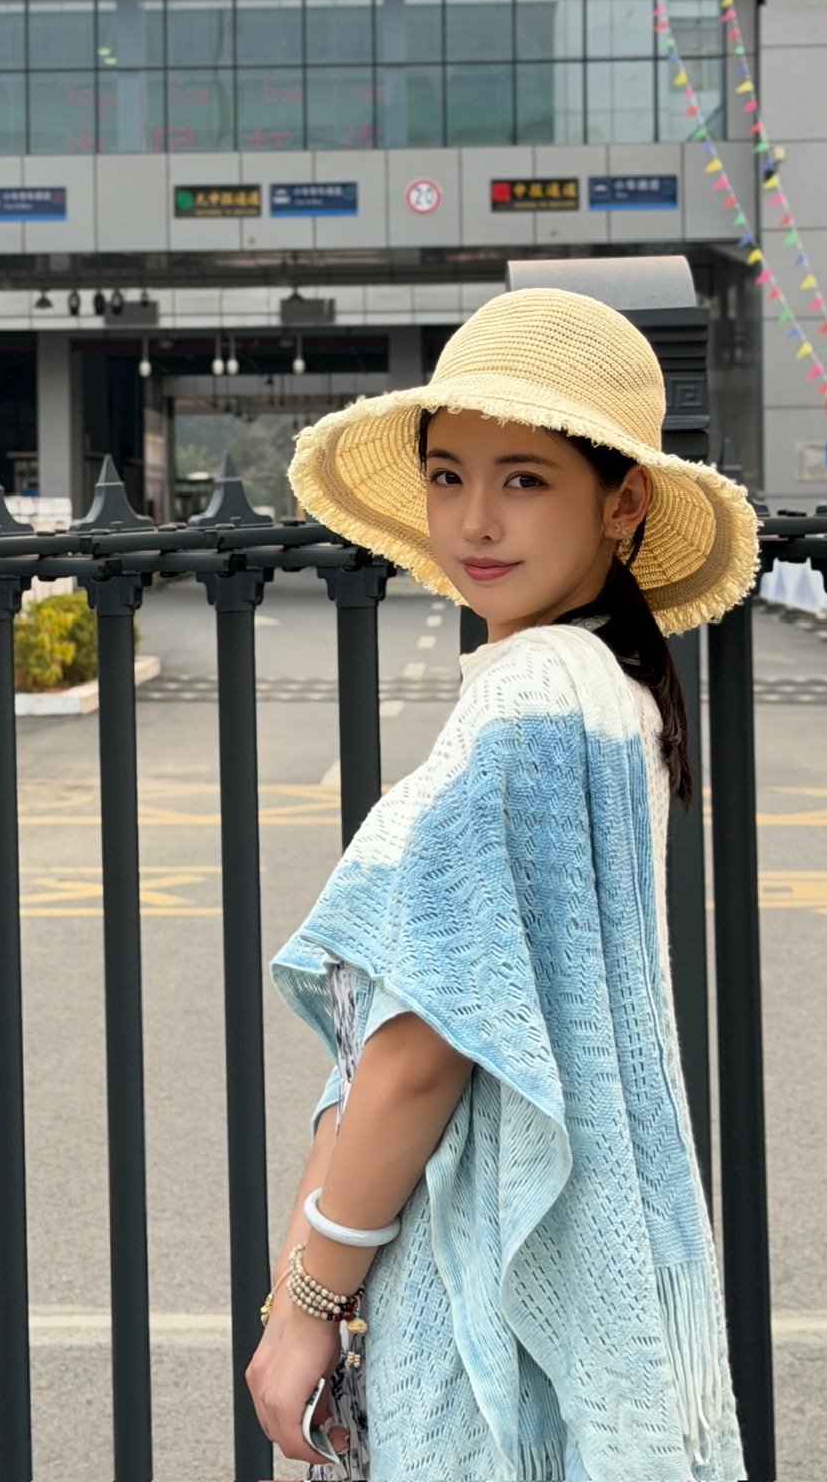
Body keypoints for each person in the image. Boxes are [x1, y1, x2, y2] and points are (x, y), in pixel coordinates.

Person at [247, 288, 759, 1482]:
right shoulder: (602, 685)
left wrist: (308, 1300)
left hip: (479, 1270)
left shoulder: (530, 699)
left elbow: (422, 1046)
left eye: (525, 478)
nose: (475, 518)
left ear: (623, 501)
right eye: (448, 475)